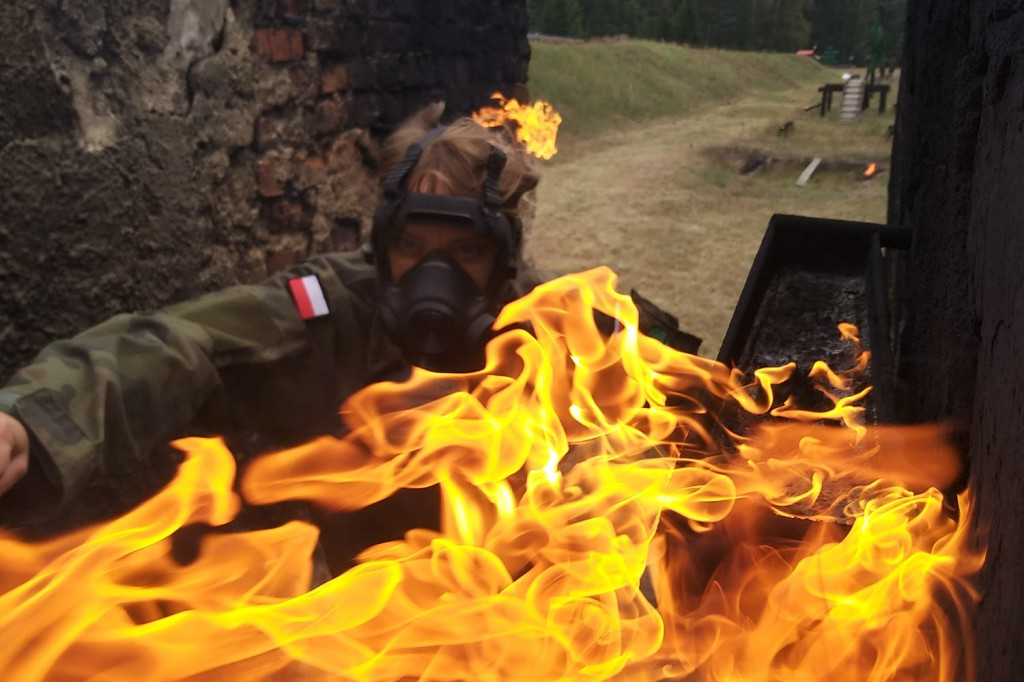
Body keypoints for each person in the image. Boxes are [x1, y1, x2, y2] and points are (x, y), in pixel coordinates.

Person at [0, 102, 546, 568]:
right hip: (377, 631)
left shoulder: (554, 327)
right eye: (410, 245)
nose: (435, 279)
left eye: (466, 250)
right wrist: (29, 424)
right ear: (382, 245)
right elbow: (178, 345)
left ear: (504, 255)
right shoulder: (333, 308)